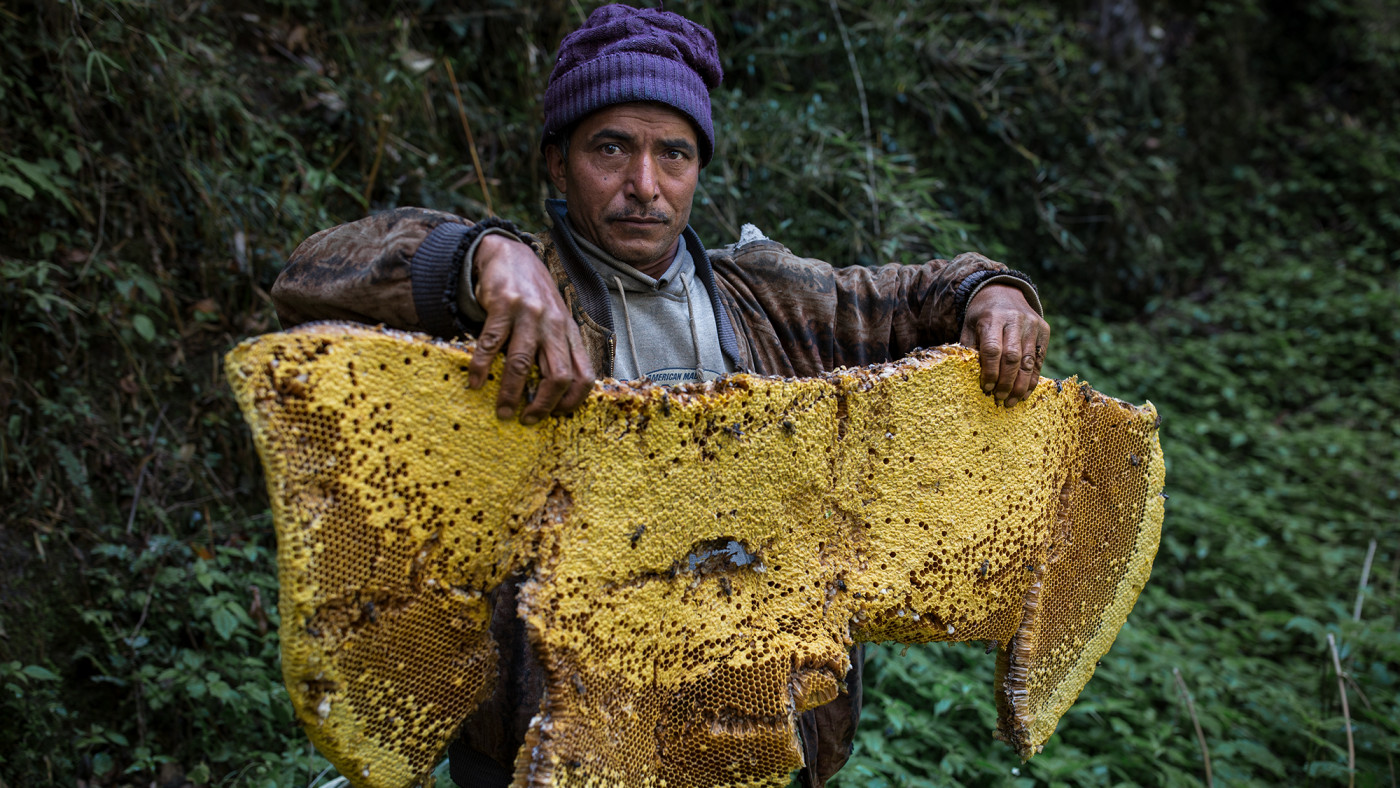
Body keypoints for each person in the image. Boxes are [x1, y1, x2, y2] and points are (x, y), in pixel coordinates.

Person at [271, 5, 1050, 786]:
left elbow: (916, 296)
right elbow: (307, 279)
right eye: (611, 148)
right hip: (550, 738)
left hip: (759, 727)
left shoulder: (767, 299)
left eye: (672, 154)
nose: (644, 185)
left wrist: (995, 293)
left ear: (698, 170)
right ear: (557, 162)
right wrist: (482, 255)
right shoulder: (510, 295)